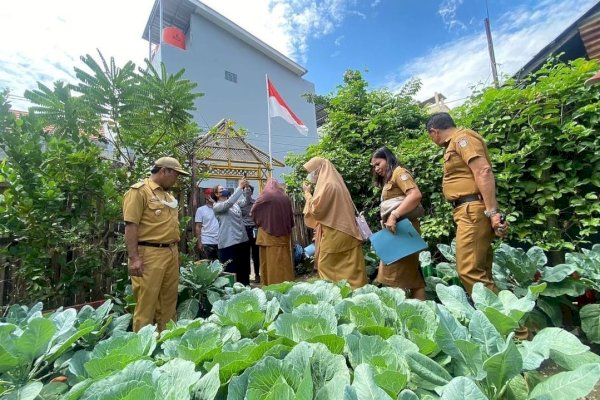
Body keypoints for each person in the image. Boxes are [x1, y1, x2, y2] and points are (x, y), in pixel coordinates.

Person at [426, 112, 508, 295]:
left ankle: (513, 324)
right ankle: (505, 320)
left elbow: (483, 171)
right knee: (481, 272)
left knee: (469, 271)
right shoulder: (457, 141)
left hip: (472, 211)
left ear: (434, 132)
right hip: (470, 211)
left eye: (430, 136)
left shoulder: (462, 138)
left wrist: (493, 213)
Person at [122, 156, 190, 332]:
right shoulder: (139, 192)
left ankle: (166, 343)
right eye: (175, 174)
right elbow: (131, 226)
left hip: (170, 253)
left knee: (169, 302)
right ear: (163, 171)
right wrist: (134, 258)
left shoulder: (167, 196)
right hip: (149, 254)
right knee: (147, 304)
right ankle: (143, 348)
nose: (176, 179)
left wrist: (174, 253)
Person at [302, 156, 367, 289]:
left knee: (325, 265)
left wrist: (307, 194)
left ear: (319, 170)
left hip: (336, 232)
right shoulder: (336, 182)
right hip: (348, 231)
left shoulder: (328, 185)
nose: (310, 176)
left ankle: (335, 295)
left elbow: (316, 211)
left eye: (312, 172)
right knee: (351, 267)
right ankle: (356, 292)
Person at [371, 147, 426, 300]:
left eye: (378, 163)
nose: (376, 169)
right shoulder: (390, 178)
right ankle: (422, 311)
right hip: (399, 231)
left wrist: (394, 215)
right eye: (374, 166)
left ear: (387, 159)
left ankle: (402, 313)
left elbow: (415, 195)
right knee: (412, 277)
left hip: (403, 231)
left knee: (394, 276)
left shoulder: (399, 173)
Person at [251, 178, 295, 285]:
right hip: (284, 236)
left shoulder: (266, 195)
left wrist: (261, 221)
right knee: (283, 264)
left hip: (267, 236)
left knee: (269, 265)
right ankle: (287, 286)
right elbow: (290, 217)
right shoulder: (285, 197)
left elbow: (253, 210)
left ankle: (270, 287)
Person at [212, 179, 251, 285]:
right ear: (216, 194)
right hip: (229, 244)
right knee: (232, 271)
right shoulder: (217, 206)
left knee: (244, 269)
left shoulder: (235, 204)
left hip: (242, 241)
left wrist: (246, 189)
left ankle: (246, 289)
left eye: (224, 188)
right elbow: (228, 203)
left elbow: (246, 202)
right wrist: (239, 187)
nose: (224, 190)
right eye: (221, 190)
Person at [239, 185, 260, 282]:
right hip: (244, 230)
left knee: (256, 253)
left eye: (249, 190)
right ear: (242, 192)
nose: (247, 192)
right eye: (245, 190)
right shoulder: (239, 204)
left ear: (252, 192)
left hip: (254, 229)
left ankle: (257, 274)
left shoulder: (256, 203)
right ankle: (246, 275)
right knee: (245, 253)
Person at [194, 194, 219, 261]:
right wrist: (199, 242)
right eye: (208, 197)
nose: (210, 198)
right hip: (207, 241)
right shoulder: (200, 210)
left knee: (221, 267)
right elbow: (198, 226)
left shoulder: (220, 209)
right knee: (207, 266)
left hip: (220, 242)